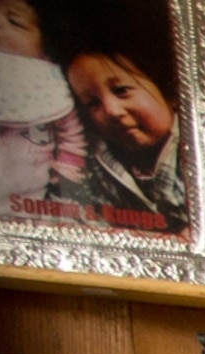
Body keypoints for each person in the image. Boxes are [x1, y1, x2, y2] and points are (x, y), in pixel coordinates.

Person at [52, 15, 186, 236]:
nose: (112, 110)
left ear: (166, 89)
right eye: (93, 103)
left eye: (122, 90)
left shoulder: (199, 146)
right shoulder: (95, 165)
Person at [0, 0, 87, 220]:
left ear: (44, 46)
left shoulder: (49, 81)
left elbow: (71, 135)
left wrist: (67, 171)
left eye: (15, 22)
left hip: (29, 194)